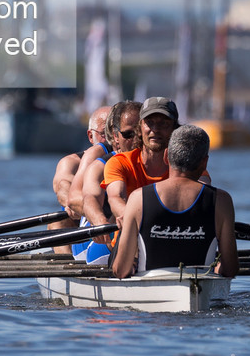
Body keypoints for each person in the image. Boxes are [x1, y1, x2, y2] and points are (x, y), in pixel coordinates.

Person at [112, 123, 237, 278]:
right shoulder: (222, 201)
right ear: (204, 162)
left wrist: (130, 263)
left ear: (166, 156)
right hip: (201, 286)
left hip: (150, 285)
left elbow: (121, 270)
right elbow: (230, 269)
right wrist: (218, 269)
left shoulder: (138, 198)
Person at [70, 99, 140, 265]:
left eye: (139, 133)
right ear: (115, 136)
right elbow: (77, 199)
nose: (136, 140)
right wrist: (99, 221)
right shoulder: (99, 161)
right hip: (100, 238)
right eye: (129, 134)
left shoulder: (164, 160)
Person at [102, 96, 178, 224]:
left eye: (164, 123)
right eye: (149, 122)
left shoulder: (186, 164)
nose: (155, 129)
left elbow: (204, 191)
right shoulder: (119, 162)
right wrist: (139, 222)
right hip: (132, 235)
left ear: (175, 129)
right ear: (140, 128)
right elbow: (116, 198)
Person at [48, 106, 110, 252]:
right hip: (87, 224)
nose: (111, 138)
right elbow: (62, 186)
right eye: (104, 133)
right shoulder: (72, 162)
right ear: (90, 136)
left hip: (111, 222)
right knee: (58, 222)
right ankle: (68, 267)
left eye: (115, 130)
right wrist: (76, 204)